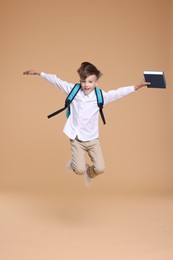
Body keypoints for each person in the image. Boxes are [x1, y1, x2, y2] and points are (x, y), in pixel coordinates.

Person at [23, 62, 150, 186]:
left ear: (96, 82)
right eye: (83, 81)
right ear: (80, 81)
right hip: (76, 137)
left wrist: (138, 86)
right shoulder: (74, 90)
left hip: (92, 139)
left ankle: (89, 173)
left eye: (90, 81)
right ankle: (74, 163)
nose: (86, 85)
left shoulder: (101, 96)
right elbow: (57, 81)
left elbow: (118, 93)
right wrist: (40, 73)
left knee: (100, 168)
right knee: (78, 170)